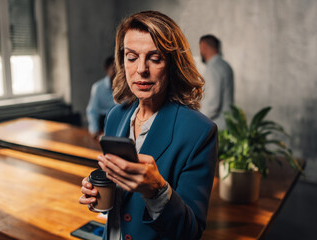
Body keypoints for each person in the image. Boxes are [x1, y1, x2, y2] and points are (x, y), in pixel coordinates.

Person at [79, 11, 218, 240]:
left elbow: (191, 233)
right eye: (132, 57)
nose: (141, 69)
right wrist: (98, 192)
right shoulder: (116, 115)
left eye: (155, 58)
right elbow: (120, 198)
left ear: (173, 64)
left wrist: (158, 192)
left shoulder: (199, 132)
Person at [199, 34, 234, 130]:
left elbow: (213, 104)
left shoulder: (212, 68)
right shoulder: (226, 66)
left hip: (216, 126)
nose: (200, 52)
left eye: (200, 49)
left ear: (204, 46)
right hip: (228, 125)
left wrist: (197, 121)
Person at [86, 56, 116, 139]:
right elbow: (92, 111)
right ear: (106, 69)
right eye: (114, 68)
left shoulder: (126, 87)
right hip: (103, 125)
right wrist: (94, 130)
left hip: (119, 123)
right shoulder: (98, 87)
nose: (117, 72)